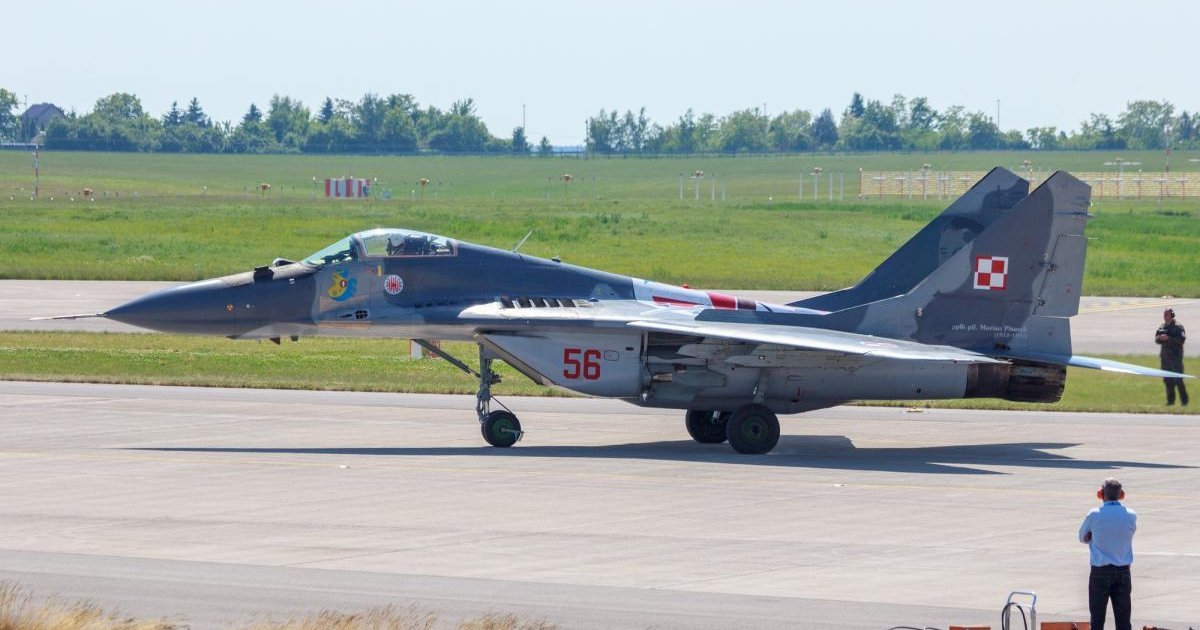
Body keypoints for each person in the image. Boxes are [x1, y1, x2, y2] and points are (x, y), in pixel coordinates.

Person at [1079, 478, 1137, 630]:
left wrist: (1092, 535)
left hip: (1100, 572)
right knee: (1124, 621)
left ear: (1100, 494)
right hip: (1123, 572)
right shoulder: (1131, 515)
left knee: (1097, 620)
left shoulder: (1094, 515)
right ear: (1121, 495)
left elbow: (1082, 537)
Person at [1155, 307, 1188, 406]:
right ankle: (1170, 401)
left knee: (1178, 380)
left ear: (1172, 316)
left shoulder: (1178, 327)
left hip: (1175, 358)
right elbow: (1157, 339)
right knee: (1167, 380)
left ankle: (1184, 401)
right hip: (1165, 358)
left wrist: (1168, 338)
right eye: (1164, 315)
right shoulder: (1162, 327)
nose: (1165, 317)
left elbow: (1181, 340)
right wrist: (1160, 338)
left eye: (1167, 315)